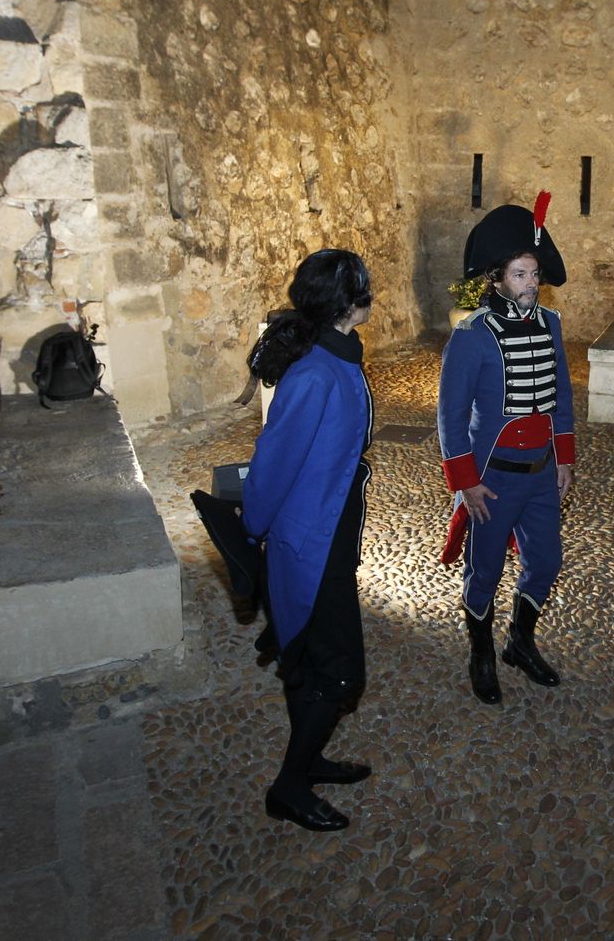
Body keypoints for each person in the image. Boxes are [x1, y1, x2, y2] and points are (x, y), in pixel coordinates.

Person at [241, 249, 376, 831]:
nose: (374, 293)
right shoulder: (316, 372)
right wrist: (252, 529)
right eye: (365, 287)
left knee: (306, 660)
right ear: (346, 302)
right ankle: (289, 786)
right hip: (308, 543)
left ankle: (310, 757)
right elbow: (273, 462)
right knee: (341, 671)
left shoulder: (340, 356)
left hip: (333, 528)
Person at [438, 192, 576, 706]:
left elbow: (560, 394)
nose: (530, 284)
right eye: (520, 274)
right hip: (492, 478)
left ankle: (519, 641)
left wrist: (565, 458)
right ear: (496, 278)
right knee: (485, 571)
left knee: (545, 562)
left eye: (533, 273)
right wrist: (465, 482)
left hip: (541, 474)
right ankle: (481, 653)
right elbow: (450, 417)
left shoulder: (552, 326)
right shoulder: (471, 336)